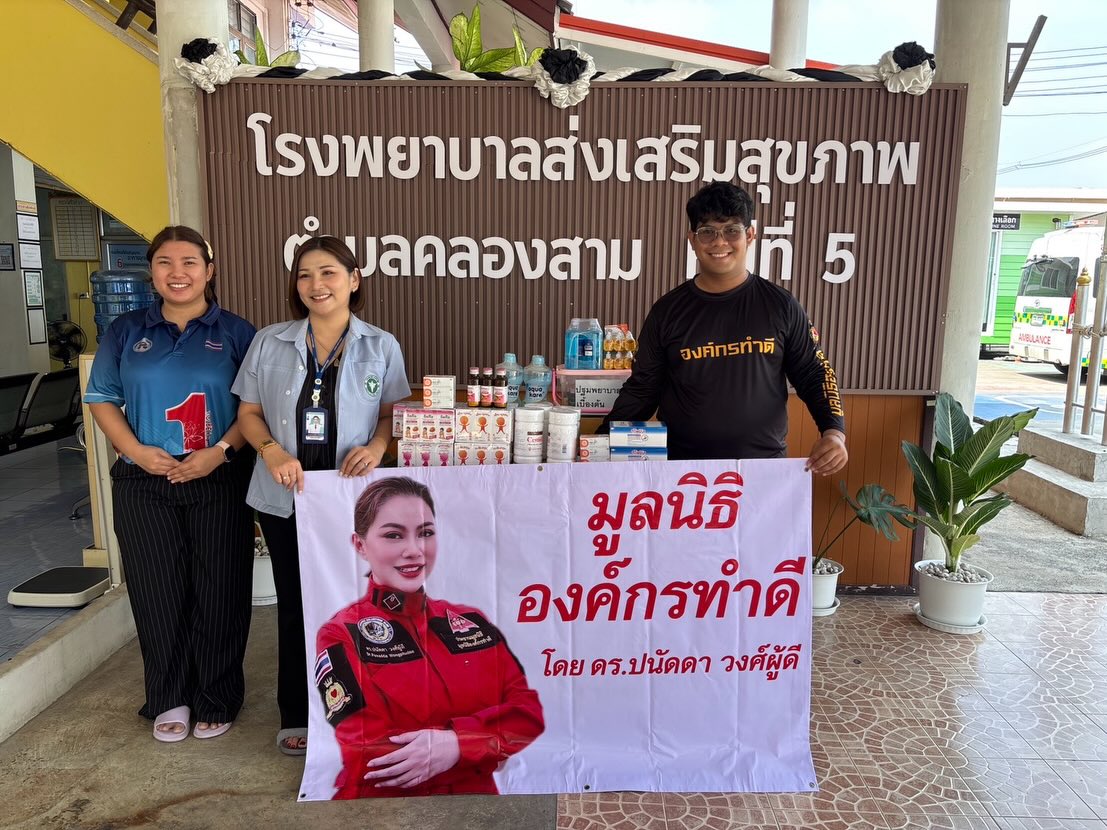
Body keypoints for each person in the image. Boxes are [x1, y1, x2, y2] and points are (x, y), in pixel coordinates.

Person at [233, 236, 409, 756]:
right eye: (305, 274)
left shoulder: (381, 345)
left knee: (360, 606)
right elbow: (248, 413)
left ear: (354, 280)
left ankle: (365, 707)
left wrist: (377, 447)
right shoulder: (269, 341)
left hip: (352, 502)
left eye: (328, 272)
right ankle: (298, 711)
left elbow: (391, 416)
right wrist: (270, 451)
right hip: (287, 497)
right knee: (295, 605)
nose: (316, 284)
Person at [85, 225, 256, 743]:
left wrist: (219, 452)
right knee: (157, 592)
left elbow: (255, 408)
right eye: (164, 262)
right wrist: (136, 452)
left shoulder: (238, 332)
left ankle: (217, 696)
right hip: (144, 480)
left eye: (188, 262)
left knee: (220, 590)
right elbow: (102, 398)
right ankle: (168, 696)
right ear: (152, 272)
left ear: (209, 269)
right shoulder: (125, 331)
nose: (177, 273)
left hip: (218, 475)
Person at [314, 477, 545, 798]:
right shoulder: (342, 633)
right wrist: (486, 747)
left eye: (425, 533)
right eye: (393, 535)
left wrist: (457, 744)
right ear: (360, 545)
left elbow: (528, 715)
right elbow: (368, 754)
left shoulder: (471, 623)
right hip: (384, 808)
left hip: (480, 806)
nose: (414, 550)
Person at [601, 181, 848, 474]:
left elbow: (814, 373)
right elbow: (642, 389)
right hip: (683, 473)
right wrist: (600, 443)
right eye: (707, 232)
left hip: (763, 472)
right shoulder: (667, 312)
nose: (719, 242)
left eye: (732, 230)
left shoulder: (781, 306)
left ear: (750, 235)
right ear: (692, 239)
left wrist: (834, 431)